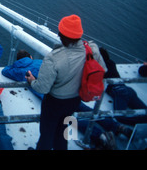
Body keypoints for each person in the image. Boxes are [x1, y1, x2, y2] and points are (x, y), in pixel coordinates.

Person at [9, 49, 129, 149]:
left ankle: (101, 136)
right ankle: (118, 127)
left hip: (52, 98)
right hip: (67, 91)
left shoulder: (19, 71)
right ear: (30, 56)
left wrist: (17, 66)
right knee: (87, 110)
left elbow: (5, 71)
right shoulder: (41, 61)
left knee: (72, 119)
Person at [25, 14, 107, 150]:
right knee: (63, 132)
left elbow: (42, 88)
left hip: (54, 103)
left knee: (46, 134)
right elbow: (102, 70)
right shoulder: (92, 49)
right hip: (74, 100)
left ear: (61, 34)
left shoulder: (54, 58)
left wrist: (32, 81)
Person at [101, 47, 147, 127]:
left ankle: (140, 123)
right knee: (144, 111)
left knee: (119, 117)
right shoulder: (111, 63)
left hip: (118, 91)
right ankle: (143, 121)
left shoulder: (101, 68)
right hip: (127, 89)